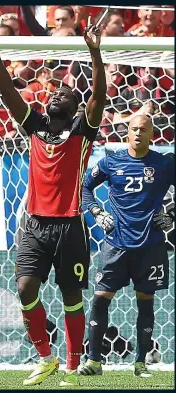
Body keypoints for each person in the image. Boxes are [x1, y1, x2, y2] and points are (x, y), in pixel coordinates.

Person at [0, 18, 106, 387]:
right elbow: (6, 91)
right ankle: (45, 358)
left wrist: (95, 54)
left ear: (75, 106)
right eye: (54, 93)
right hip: (34, 222)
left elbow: (98, 96)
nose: (55, 95)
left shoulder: (84, 128)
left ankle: (72, 365)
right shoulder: (35, 124)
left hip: (70, 223)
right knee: (25, 288)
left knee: (70, 295)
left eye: (65, 94)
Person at [79, 114, 174, 377]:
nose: (138, 133)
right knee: (100, 300)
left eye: (144, 129)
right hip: (115, 245)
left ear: (152, 133)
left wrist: (172, 214)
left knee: (146, 303)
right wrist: (97, 212)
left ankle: (140, 363)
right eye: (134, 129)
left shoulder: (164, 164)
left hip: (151, 245)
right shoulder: (111, 161)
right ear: (127, 132)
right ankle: (94, 362)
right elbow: (84, 187)